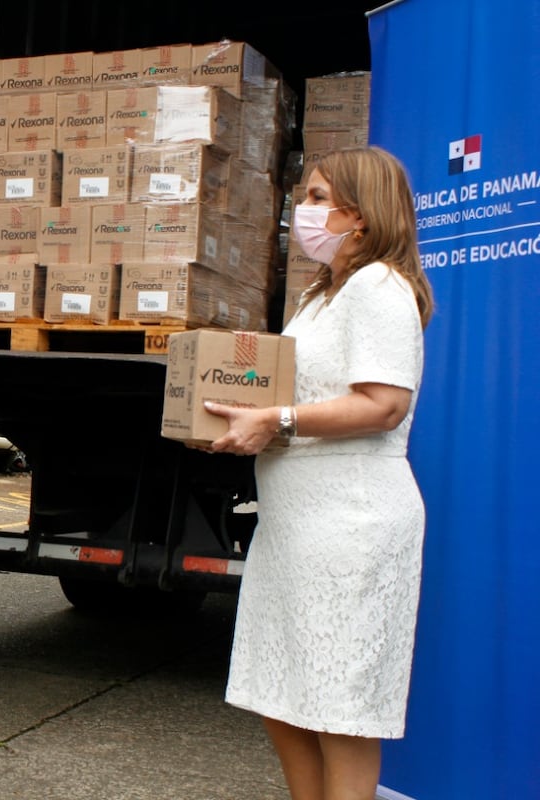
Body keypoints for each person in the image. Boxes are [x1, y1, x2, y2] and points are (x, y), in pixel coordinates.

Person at [203, 146, 434, 800]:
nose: (301, 210)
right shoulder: (321, 294)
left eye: (315, 196)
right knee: (282, 694)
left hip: (350, 528)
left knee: (340, 711)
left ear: (359, 215)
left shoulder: (380, 287)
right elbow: (300, 395)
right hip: (296, 528)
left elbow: (384, 404)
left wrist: (277, 420)